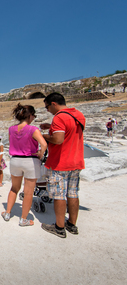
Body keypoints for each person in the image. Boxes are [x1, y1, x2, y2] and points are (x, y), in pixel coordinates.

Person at [40, 93, 86, 238]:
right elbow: (70, 131)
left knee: (59, 195)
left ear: (54, 103)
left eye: (47, 107)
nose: (47, 110)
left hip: (60, 162)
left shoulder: (59, 116)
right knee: (73, 193)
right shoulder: (78, 114)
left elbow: (58, 139)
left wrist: (44, 135)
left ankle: (59, 227)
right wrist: (51, 126)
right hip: (76, 160)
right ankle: (72, 225)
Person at [1, 104, 47, 226]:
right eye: (34, 116)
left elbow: (12, 143)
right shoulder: (33, 129)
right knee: (28, 192)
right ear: (30, 115)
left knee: (14, 188)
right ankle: (23, 219)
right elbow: (44, 144)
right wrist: (40, 154)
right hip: (30, 161)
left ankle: (7, 213)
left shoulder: (11, 129)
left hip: (15, 160)